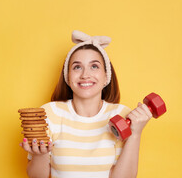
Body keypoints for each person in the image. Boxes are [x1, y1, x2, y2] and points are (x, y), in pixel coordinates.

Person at [20, 30, 152, 178]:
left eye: (94, 66)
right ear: (68, 77)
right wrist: (39, 155)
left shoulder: (120, 115)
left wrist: (136, 133)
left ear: (106, 77)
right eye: (77, 67)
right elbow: (37, 177)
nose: (85, 75)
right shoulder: (50, 113)